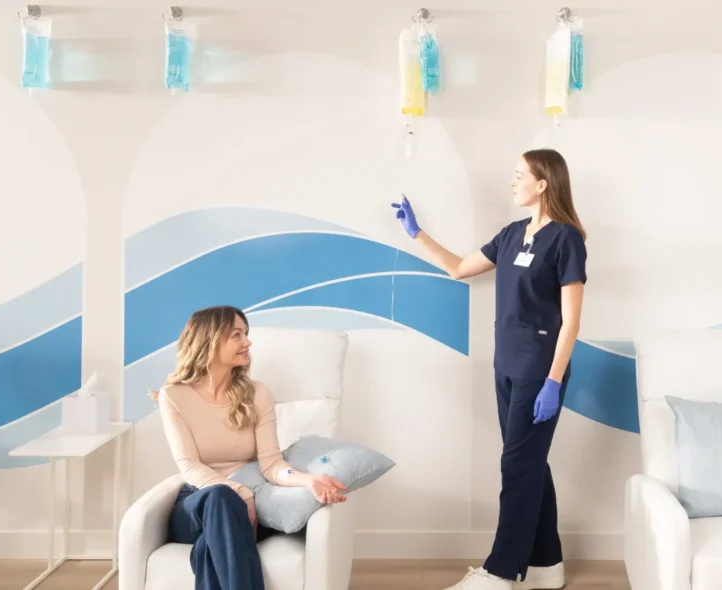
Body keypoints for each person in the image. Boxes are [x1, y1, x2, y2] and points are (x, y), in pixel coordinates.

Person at [391, 148, 587, 590]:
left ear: (543, 184)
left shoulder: (566, 238)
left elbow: (571, 319)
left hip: (540, 371)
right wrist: (416, 232)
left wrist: (554, 381)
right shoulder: (512, 233)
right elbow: (460, 268)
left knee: (517, 467)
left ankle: (501, 572)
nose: (513, 181)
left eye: (521, 175)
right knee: (530, 462)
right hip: (505, 365)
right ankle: (546, 563)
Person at [151, 305, 348, 590]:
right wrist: (239, 492)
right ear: (210, 339)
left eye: (246, 334)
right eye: (237, 335)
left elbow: (271, 463)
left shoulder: (256, 393)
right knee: (220, 496)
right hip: (198, 503)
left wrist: (309, 480)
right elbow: (189, 466)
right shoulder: (174, 396)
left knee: (212, 545)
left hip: (244, 511)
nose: (247, 342)